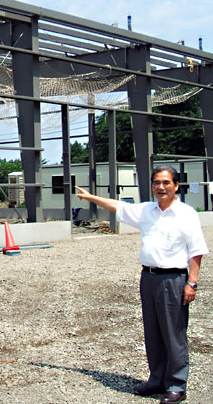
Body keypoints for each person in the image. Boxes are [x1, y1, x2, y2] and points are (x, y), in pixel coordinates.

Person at [75, 166, 208, 404]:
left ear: (176, 186)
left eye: (166, 182)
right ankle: (156, 379)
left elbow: (196, 252)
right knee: (153, 332)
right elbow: (118, 206)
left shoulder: (186, 214)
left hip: (174, 279)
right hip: (148, 278)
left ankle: (177, 384)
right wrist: (89, 197)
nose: (161, 187)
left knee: (174, 333)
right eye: (157, 182)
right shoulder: (147, 210)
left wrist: (192, 283)